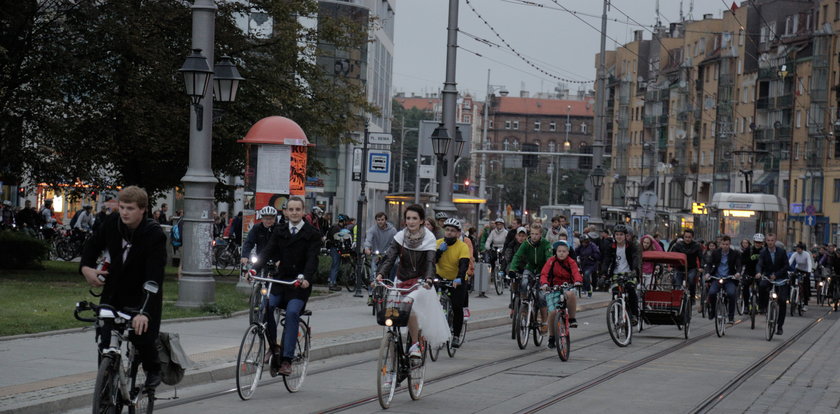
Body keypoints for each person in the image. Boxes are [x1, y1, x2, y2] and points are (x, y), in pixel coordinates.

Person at [79, 186, 165, 389]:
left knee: (142, 336)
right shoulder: (113, 223)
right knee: (105, 339)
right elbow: (92, 245)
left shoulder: (154, 234)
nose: (125, 212)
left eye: (130, 208)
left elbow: (154, 277)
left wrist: (143, 312)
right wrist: (86, 268)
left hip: (143, 294)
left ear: (143, 209)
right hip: (114, 292)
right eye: (122, 207)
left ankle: (153, 368)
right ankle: (107, 390)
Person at [254, 197, 321, 376]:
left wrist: (306, 277)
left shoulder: (312, 233)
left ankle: (286, 360)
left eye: (297, 209)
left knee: (292, 313)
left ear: (303, 211)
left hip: (299, 285)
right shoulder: (279, 230)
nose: (294, 213)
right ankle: (274, 346)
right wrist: (254, 269)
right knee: (266, 306)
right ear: (285, 212)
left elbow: (312, 259)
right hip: (281, 281)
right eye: (290, 209)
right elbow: (268, 250)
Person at [376, 204, 440, 360]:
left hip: (420, 282)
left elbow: (430, 262)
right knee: (391, 313)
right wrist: (380, 274)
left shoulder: (429, 238)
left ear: (422, 221)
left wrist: (429, 279)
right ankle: (392, 353)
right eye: (408, 218)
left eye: (414, 218)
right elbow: (390, 257)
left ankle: (415, 344)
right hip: (401, 280)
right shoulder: (400, 236)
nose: (410, 222)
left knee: (409, 308)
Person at [508, 223, 553, 333]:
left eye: (536, 234)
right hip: (530, 268)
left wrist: (548, 273)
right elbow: (517, 256)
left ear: (541, 234)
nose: (534, 236)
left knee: (542, 297)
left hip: (542, 270)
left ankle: (544, 322)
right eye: (532, 233)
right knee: (523, 282)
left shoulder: (546, 244)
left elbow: (549, 260)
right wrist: (512, 269)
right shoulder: (526, 243)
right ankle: (524, 304)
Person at [435, 218, 471, 348]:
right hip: (440, 277)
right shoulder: (438, 243)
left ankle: (456, 335)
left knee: (457, 307)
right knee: (434, 304)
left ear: (458, 233)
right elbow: (430, 261)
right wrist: (439, 251)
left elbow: (464, 264)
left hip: (457, 279)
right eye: (447, 230)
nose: (449, 233)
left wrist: (460, 278)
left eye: (452, 231)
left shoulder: (462, 246)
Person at [540, 240, 583, 349]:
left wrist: (578, 281)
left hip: (567, 286)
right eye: (559, 251)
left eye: (564, 251)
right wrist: (544, 284)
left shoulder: (571, 262)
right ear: (556, 252)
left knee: (571, 294)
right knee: (553, 313)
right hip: (552, 288)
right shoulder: (551, 261)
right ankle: (551, 337)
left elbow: (576, 273)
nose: (561, 253)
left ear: (568, 252)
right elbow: (544, 274)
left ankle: (572, 319)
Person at [605, 224, 641, 325]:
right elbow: (606, 261)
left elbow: (635, 258)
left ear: (625, 236)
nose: (619, 237)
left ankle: (634, 315)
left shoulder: (631, 246)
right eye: (617, 234)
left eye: (621, 234)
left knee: (631, 289)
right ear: (614, 236)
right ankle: (615, 312)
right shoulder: (611, 247)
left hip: (629, 273)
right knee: (615, 292)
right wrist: (604, 275)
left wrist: (634, 270)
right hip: (616, 274)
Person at [756, 233, 789, 335]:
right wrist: (759, 272)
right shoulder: (763, 252)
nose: (770, 242)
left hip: (781, 278)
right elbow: (760, 263)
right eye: (768, 240)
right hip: (768, 277)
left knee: (782, 301)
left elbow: (786, 266)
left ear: (775, 241)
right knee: (761, 285)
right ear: (766, 241)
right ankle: (763, 306)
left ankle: (780, 326)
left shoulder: (782, 252)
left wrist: (777, 274)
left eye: (772, 240)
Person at [705, 235, 741, 324]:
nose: (725, 246)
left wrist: (737, 273)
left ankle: (731, 316)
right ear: (720, 244)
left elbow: (739, 265)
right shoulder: (715, 253)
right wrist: (708, 273)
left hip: (729, 278)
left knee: (731, 294)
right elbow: (709, 264)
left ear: (730, 244)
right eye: (723, 244)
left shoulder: (735, 253)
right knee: (712, 293)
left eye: (727, 244)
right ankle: (713, 311)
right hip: (717, 278)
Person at [362, 212, 397, 297]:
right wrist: (367, 248)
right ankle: (371, 294)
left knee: (394, 266)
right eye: (378, 220)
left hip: (388, 255)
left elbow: (395, 243)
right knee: (373, 273)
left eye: (382, 220)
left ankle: (390, 286)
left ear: (386, 220)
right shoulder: (372, 230)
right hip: (376, 254)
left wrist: (392, 251)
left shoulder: (392, 230)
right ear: (376, 221)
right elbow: (368, 240)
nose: (380, 222)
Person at [670, 229, 703, 303]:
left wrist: (701, 267)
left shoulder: (696, 246)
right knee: (677, 283)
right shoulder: (678, 245)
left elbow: (701, 257)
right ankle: (676, 300)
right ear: (683, 237)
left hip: (691, 268)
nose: (687, 239)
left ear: (692, 237)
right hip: (679, 267)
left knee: (691, 280)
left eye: (689, 237)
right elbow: (673, 255)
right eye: (686, 237)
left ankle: (692, 296)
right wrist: (671, 265)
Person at [325, 214, 349, 291]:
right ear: (343, 221)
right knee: (335, 265)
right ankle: (332, 283)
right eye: (346, 221)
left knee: (336, 265)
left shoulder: (339, 227)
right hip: (334, 248)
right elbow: (337, 239)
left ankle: (332, 281)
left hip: (336, 248)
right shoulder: (336, 228)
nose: (347, 223)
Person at [788, 241, 814, 312]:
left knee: (805, 287)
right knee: (792, 278)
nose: (798, 250)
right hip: (798, 269)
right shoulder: (795, 254)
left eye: (799, 249)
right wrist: (787, 269)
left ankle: (805, 304)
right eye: (797, 249)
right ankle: (793, 291)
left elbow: (809, 263)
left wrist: (809, 272)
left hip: (805, 271)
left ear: (802, 249)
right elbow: (790, 261)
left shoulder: (806, 254)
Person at [739, 235, 763, 307]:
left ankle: (761, 305)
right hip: (749, 271)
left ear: (762, 243)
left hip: (760, 273)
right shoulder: (749, 250)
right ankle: (746, 305)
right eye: (756, 242)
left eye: (759, 242)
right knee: (745, 287)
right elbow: (742, 260)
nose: (758, 244)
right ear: (754, 242)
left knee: (763, 287)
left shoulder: (764, 250)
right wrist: (749, 260)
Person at [577, 232, 601, 297]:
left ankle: (588, 289)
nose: (584, 243)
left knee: (587, 274)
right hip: (583, 264)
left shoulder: (592, 245)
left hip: (592, 264)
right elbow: (575, 252)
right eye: (583, 242)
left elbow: (597, 254)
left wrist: (592, 257)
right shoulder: (580, 247)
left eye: (586, 242)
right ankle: (585, 288)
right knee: (584, 276)